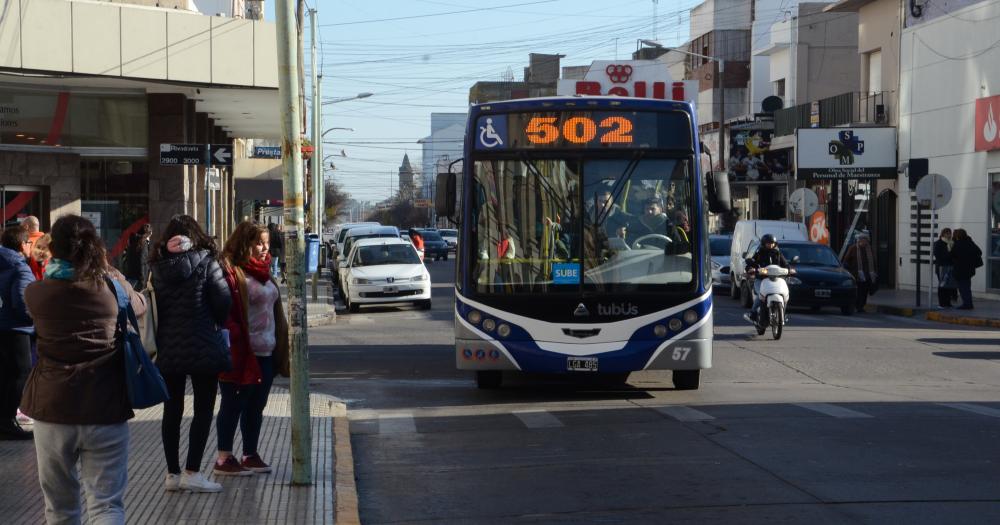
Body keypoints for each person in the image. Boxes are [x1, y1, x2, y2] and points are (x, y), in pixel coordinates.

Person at [21, 214, 146, 524]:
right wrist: (110, 272)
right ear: (94, 245)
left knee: (59, 508)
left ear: (53, 248)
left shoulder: (35, 294)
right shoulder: (112, 287)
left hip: (52, 410)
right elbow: (140, 307)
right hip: (105, 407)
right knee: (107, 505)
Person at [150, 215, 233, 493]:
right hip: (203, 345)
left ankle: (172, 475)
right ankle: (193, 472)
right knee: (203, 409)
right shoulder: (208, 263)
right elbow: (223, 304)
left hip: (169, 347)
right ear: (196, 236)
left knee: (171, 410)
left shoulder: (157, 267)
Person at [214, 222, 289, 476]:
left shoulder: (266, 273)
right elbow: (225, 314)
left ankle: (250, 454)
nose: (264, 248)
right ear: (244, 244)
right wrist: (235, 339)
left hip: (265, 352)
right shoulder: (233, 273)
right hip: (241, 353)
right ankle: (224, 458)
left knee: (256, 405)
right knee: (233, 405)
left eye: (266, 243)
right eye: (258, 242)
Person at [0, 225, 35, 440]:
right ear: (23, 244)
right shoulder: (20, 268)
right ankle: (6, 420)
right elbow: (24, 304)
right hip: (16, 330)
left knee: (4, 375)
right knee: (19, 374)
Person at [743, 234, 789, 323]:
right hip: (761, 279)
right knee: (761, 295)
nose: (770, 245)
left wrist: (790, 269)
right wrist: (750, 268)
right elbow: (751, 262)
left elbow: (785, 264)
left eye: (772, 243)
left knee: (785, 294)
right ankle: (753, 313)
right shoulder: (760, 253)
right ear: (764, 243)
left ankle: (782, 313)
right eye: (768, 243)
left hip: (777, 279)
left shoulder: (778, 253)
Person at [842, 233, 877, 311]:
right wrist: (849, 269)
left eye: (866, 240)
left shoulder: (870, 249)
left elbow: (874, 261)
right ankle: (857, 305)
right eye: (862, 240)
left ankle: (861, 306)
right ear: (859, 240)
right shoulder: (853, 248)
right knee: (858, 292)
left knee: (864, 292)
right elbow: (846, 260)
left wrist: (874, 272)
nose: (864, 242)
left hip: (868, 275)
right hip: (856, 275)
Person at [950, 228, 983, 310]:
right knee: (967, 287)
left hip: (960, 270)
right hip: (969, 269)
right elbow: (979, 251)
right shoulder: (969, 242)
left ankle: (967, 304)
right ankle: (968, 303)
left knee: (963, 288)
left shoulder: (957, 244)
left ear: (957, 236)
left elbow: (951, 255)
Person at [933, 228, 958, 308]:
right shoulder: (938, 243)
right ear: (943, 234)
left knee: (949, 286)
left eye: (949, 233)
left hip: (950, 267)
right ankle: (941, 303)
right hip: (942, 267)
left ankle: (948, 303)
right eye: (947, 233)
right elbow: (938, 255)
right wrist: (950, 254)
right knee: (942, 286)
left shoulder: (952, 243)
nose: (949, 235)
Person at [125, 223, 153, 289]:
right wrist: (143, 279)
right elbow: (142, 261)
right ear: (148, 233)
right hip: (139, 277)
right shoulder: (143, 243)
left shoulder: (133, 242)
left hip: (131, 274)